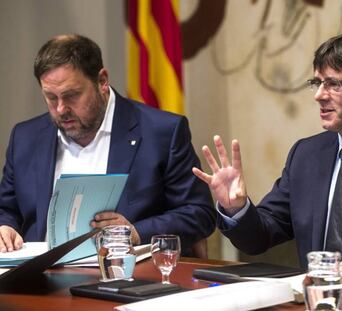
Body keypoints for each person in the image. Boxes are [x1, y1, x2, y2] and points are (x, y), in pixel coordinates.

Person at [193, 29, 342, 284]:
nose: (319, 95)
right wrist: (236, 208)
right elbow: (260, 237)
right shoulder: (307, 155)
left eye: (333, 84)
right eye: (317, 83)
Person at [0, 34, 216, 255]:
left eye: (72, 95)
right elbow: (7, 210)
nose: (61, 109)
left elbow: (199, 214)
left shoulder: (162, 132)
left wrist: (135, 232)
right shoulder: (25, 138)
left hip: (131, 278)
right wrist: (5, 228)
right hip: (37, 282)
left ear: (102, 81)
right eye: (51, 98)